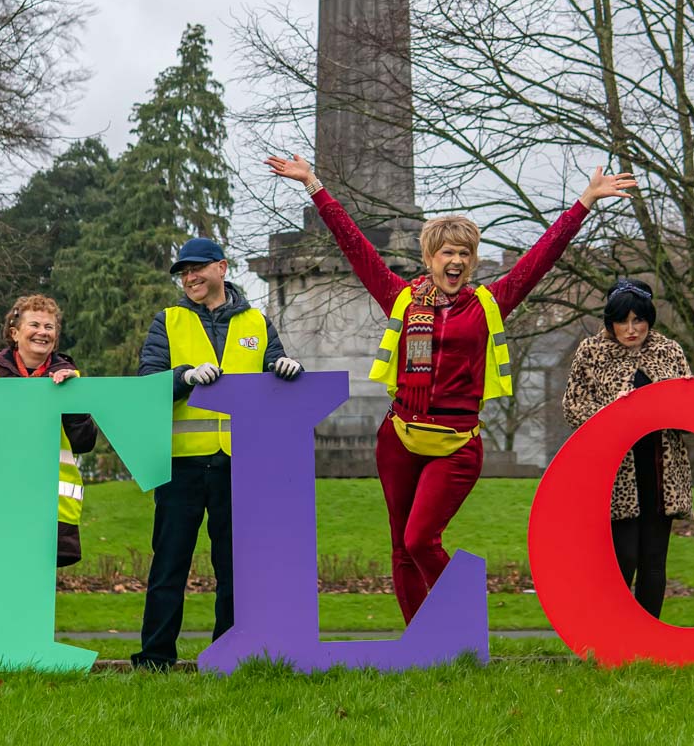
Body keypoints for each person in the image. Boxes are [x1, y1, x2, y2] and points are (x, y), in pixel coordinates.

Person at [267, 153, 637, 622]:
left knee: (421, 538)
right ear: (430, 258)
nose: (457, 260)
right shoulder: (401, 296)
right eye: (448, 253)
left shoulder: (490, 303)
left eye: (465, 253)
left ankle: (460, 614)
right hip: (400, 436)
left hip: (457, 444)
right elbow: (356, 247)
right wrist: (314, 184)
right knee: (400, 546)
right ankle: (422, 641)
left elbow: (542, 256)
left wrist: (584, 202)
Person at [131, 236, 302, 670]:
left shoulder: (258, 322)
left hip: (239, 464)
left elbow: (274, 371)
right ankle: (154, 658)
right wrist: (184, 375)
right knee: (169, 565)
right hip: (181, 462)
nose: (189, 278)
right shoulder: (167, 321)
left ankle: (229, 653)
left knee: (235, 569)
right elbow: (146, 386)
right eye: (183, 273)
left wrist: (286, 370)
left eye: (197, 269)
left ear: (222, 268)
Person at [561, 279, 694, 618]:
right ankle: (613, 637)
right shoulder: (591, 352)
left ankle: (648, 644)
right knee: (623, 558)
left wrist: (680, 403)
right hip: (615, 473)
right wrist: (612, 414)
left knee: (653, 560)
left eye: (639, 320)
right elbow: (573, 408)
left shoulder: (670, 351)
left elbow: (690, 411)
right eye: (623, 320)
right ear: (610, 321)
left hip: (660, 471)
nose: (631, 329)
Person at [0, 294, 94, 568]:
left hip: (52, 511)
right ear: (14, 333)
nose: (43, 332)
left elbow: (84, 442)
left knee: (34, 601)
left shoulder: (71, 378)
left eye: (49, 327)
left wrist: (73, 399)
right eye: (34, 324)